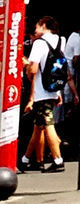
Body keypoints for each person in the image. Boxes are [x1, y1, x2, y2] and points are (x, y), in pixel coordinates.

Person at [20, 16, 67, 173]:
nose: (35, 29)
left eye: (37, 25)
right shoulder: (61, 40)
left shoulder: (39, 43)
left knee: (47, 124)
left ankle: (58, 160)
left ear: (44, 25)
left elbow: (33, 70)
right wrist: (58, 91)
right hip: (54, 87)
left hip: (41, 90)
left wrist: (26, 65)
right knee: (38, 126)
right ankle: (25, 160)